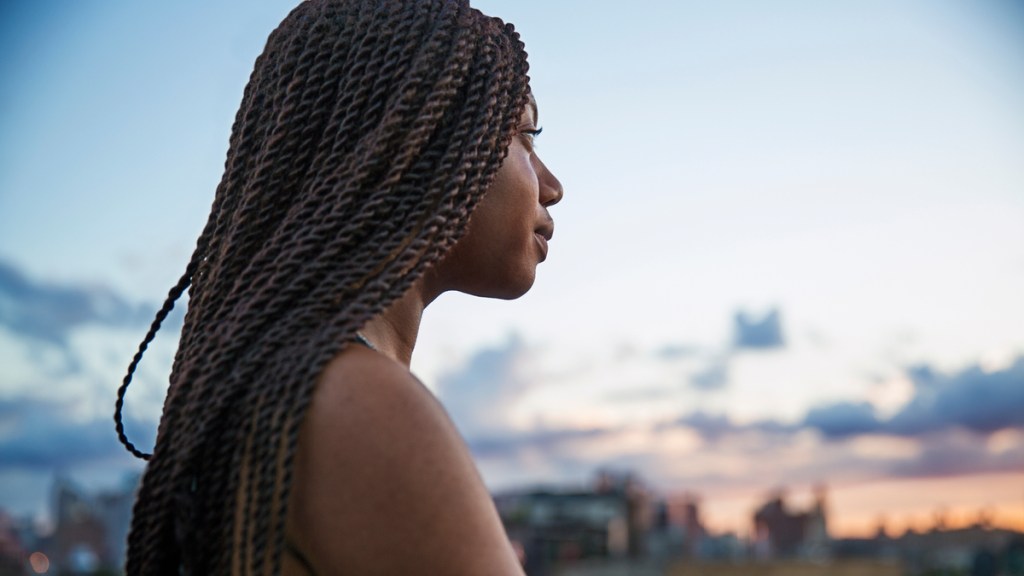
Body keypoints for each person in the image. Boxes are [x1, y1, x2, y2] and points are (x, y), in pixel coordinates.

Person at [112, 0, 563, 574]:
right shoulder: (357, 403)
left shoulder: (277, 386)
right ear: (427, 133)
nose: (552, 186)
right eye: (527, 135)